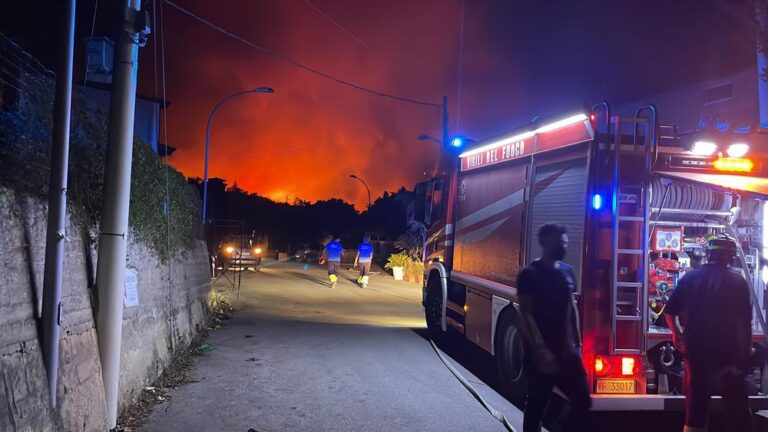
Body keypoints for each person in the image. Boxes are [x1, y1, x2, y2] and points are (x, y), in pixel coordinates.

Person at [665, 236, 753, 432]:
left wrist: (677, 334)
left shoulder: (690, 277)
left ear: (708, 254)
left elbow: (669, 312)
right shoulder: (737, 282)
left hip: (696, 357)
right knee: (740, 417)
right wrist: (745, 357)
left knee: (695, 415)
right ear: (731, 257)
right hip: (728, 361)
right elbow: (743, 324)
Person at [517, 224, 590, 432]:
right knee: (535, 409)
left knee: (583, 400)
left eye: (566, 242)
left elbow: (572, 306)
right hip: (542, 354)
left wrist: (578, 343)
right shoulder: (529, 274)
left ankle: (560, 426)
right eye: (561, 242)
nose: (564, 246)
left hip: (568, 352)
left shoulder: (568, 272)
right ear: (546, 242)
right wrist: (541, 352)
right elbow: (526, 314)